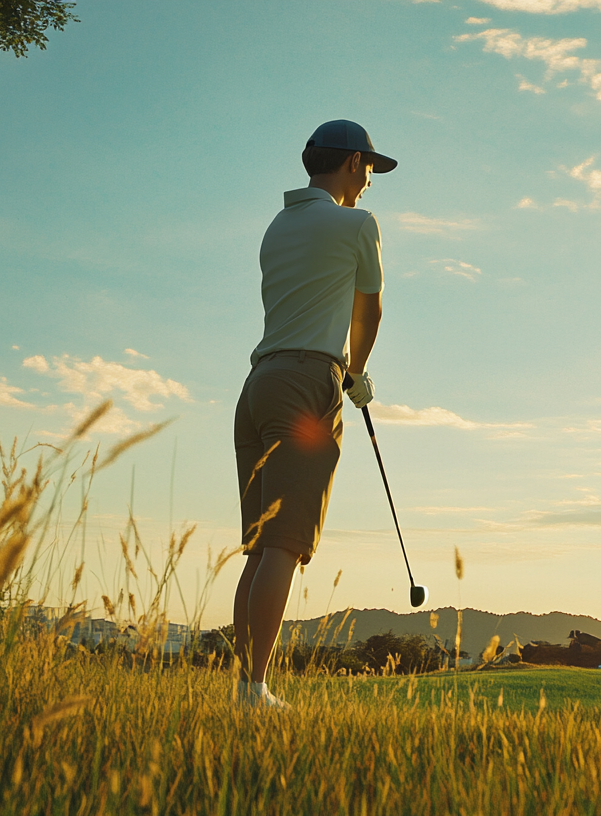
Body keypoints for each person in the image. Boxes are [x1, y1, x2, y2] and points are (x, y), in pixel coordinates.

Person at [231, 120, 397, 709]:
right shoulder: (356, 222)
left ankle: (247, 688)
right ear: (354, 162)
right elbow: (369, 312)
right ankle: (254, 692)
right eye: (371, 170)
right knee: (284, 543)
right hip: (306, 382)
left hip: (258, 384)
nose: (372, 182)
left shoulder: (279, 225)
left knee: (259, 543)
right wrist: (355, 373)